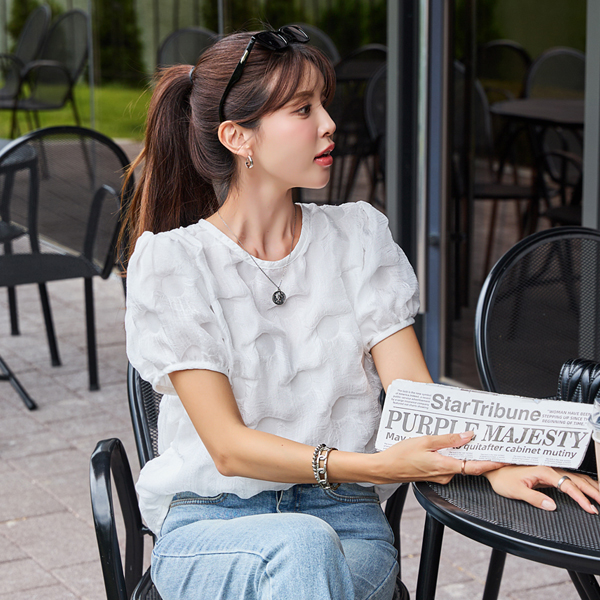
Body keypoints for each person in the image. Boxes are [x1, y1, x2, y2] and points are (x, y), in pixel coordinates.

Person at [122, 26, 600, 600]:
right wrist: (377, 467)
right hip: (212, 527)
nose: (328, 124)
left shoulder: (358, 238)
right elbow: (228, 447)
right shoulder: (174, 262)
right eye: (302, 109)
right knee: (303, 549)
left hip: (347, 523)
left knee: (310, 553)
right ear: (237, 137)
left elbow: (418, 403)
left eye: (324, 103)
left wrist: (492, 464)